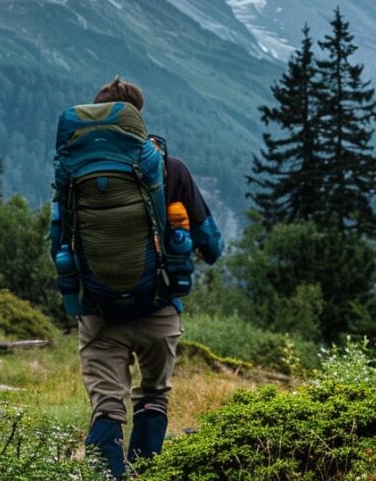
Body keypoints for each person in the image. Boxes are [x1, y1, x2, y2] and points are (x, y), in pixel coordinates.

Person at [53, 76, 223, 478]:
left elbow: (58, 239)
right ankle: (146, 474)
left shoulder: (72, 171)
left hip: (98, 311)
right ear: (136, 120)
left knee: (107, 406)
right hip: (158, 308)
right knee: (152, 396)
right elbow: (211, 245)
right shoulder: (168, 167)